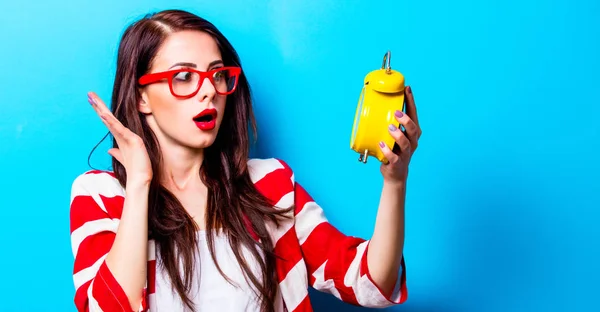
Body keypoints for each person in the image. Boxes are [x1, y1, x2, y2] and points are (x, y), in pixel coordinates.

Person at [69, 9, 421, 312]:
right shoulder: (102, 195)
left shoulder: (271, 184)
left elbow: (371, 282)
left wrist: (395, 181)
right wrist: (141, 184)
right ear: (141, 97)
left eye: (217, 74)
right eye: (184, 76)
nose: (209, 90)